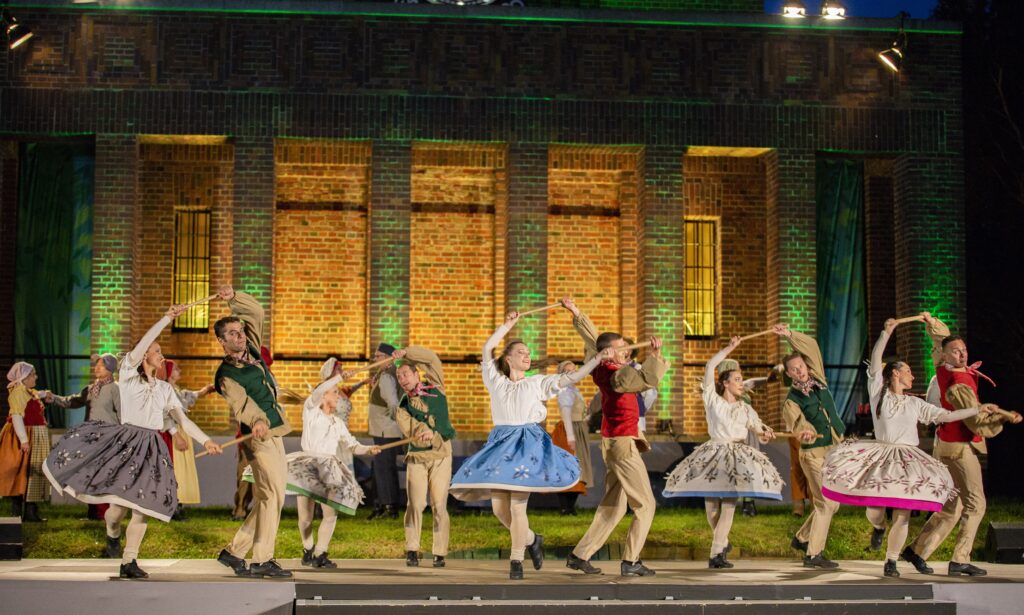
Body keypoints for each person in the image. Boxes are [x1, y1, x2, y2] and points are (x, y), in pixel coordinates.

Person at [43, 305, 222, 578]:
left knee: (143, 507)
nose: (161, 355)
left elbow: (183, 420)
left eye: (160, 351)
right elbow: (141, 344)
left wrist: (206, 440)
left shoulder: (164, 389)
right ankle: (112, 533)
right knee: (117, 511)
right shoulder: (128, 376)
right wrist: (166, 318)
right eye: (157, 351)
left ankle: (129, 560)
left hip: (151, 446)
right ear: (145, 356)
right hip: (127, 442)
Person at [822, 317, 996, 578]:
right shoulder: (879, 392)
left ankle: (891, 560)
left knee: (903, 514)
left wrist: (977, 409)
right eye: (908, 371)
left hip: (907, 459)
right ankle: (879, 528)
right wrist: (886, 333)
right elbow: (875, 359)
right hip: (882, 455)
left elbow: (945, 416)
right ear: (894, 373)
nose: (912, 375)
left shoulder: (915, 404)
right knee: (877, 511)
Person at [450, 311, 607, 579]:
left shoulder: (537, 384)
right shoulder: (496, 382)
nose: (527, 355)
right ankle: (533, 539)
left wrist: (595, 361)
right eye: (521, 352)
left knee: (516, 506)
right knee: (500, 510)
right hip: (501, 445)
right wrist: (506, 326)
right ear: (508, 358)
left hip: (526, 446)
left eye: (528, 353)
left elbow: (571, 378)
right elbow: (487, 348)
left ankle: (516, 562)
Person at [902, 313, 1022, 577]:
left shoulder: (943, 370)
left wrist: (931, 322)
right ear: (945, 356)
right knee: (976, 503)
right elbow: (974, 421)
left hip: (945, 445)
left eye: (963, 350)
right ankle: (960, 559)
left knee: (952, 505)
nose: (962, 354)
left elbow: (940, 339)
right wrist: (1002, 417)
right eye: (955, 352)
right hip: (958, 447)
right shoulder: (958, 383)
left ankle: (917, 550)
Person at [560, 298, 668, 577]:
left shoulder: (601, 363)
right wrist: (655, 357)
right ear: (609, 353)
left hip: (616, 442)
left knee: (614, 505)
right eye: (623, 349)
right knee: (645, 504)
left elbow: (594, 338)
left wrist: (577, 313)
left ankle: (579, 555)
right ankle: (631, 561)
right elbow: (646, 380)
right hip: (621, 444)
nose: (628, 352)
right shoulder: (616, 376)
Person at [663, 336, 782, 569]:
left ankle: (716, 553)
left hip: (737, 455)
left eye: (741, 380)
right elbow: (709, 367)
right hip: (714, 452)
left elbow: (759, 431)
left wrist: (764, 434)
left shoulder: (745, 408)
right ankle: (722, 541)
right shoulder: (712, 401)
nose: (742, 383)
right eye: (737, 379)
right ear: (725, 382)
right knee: (712, 506)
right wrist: (729, 348)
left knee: (729, 503)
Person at [213, 286, 293, 579]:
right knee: (271, 496)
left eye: (239, 331)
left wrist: (234, 297)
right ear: (222, 341)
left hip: (275, 430)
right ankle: (262, 559)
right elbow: (241, 403)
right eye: (232, 334)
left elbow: (256, 312)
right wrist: (257, 420)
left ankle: (234, 552)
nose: (239, 336)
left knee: (269, 497)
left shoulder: (253, 349)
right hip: (257, 438)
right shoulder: (226, 375)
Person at [290, 368, 381, 568]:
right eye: (334, 392)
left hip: (328, 468)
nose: (338, 395)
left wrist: (368, 449)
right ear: (323, 396)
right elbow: (318, 391)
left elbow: (352, 445)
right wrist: (340, 377)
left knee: (330, 514)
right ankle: (308, 548)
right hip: (308, 466)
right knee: (305, 517)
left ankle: (320, 554)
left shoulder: (338, 422)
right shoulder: (311, 410)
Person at [775, 323, 843, 569]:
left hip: (833, 450)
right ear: (790, 374)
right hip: (812, 455)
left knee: (833, 503)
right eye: (794, 370)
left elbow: (812, 346)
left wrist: (790, 335)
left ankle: (803, 538)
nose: (800, 371)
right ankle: (813, 555)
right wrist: (804, 432)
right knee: (825, 502)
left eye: (801, 366)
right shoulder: (791, 401)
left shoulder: (819, 380)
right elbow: (797, 424)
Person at [392, 345, 456, 568]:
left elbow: (431, 358)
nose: (402, 379)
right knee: (416, 503)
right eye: (399, 376)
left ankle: (439, 552)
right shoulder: (402, 406)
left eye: (406, 374)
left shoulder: (436, 385)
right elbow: (411, 429)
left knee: (439, 504)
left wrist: (406, 353)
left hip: (441, 455)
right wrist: (422, 430)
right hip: (418, 457)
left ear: (416, 373)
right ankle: (412, 548)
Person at [48, 353, 121, 521]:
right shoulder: (91, 389)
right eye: (96, 365)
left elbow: (122, 413)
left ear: (110, 369)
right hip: (90, 438)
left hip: (107, 438)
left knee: (103, 474)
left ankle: (104, 513)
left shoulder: (115, 389)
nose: (96, 368)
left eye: (101, 365)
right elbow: (73, 401)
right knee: (90, 474)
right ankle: (93, 512)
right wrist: (54, 399)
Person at [0, 362, 54, 522]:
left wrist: (45, 394)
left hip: (35, 435)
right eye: (32, 375)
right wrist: (23, 440)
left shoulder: (27, 391)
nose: (35, 377)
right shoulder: (17, 393)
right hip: (24, 435)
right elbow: (16, 416)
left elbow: (36, 394)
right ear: (24, 378)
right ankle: (16, 512)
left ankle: (30, 512)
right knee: (20, 471)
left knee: (33, 473)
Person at [164, 360, 216, 520]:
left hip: (181, 430)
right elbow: (163, 414)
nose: (179, 370)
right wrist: (175, 434)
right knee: (176, 470)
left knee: (183, 471)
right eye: (176, 368)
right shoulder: (165, 390)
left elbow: (188, 396)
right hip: (173, 433)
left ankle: (178, 505)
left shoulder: (176, 390)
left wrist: (204, 391)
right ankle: (171, 507)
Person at [366, 343, 403, 520]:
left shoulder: (387, 377)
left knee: (385, 469)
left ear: (388, 357)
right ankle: (383, 503)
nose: (375, 359)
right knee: (382, 468)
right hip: (383, 429)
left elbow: (393, 403)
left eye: (378, 356)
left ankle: (389, 506)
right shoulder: (384, 374)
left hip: (386, 431)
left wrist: (397, 423)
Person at [550, 360, 593, 515]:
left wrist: (586, 413)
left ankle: (570, 507)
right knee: (568, 469)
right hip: (569, 430)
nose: (573, 373)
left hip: (578, 428)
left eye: (574, 370)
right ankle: (565, 507)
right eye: (568, 371)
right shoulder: (565, 390)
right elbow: (566, 414)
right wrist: (570, 436)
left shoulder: (574, 390)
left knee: (578, 470)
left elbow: (580, 415)